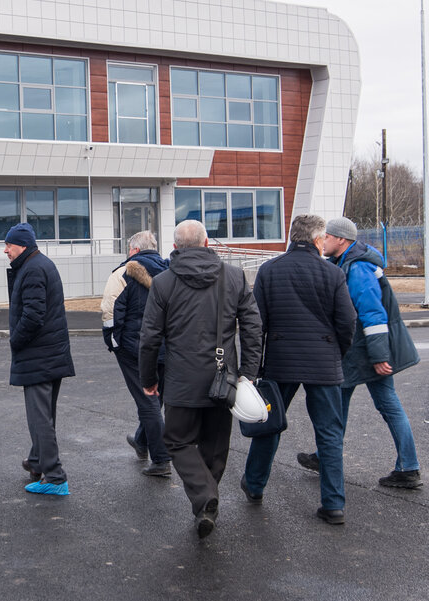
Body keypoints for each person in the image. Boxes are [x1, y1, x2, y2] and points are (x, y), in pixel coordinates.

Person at [139, 219, 262, 538]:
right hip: (224, 378)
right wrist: (249, 373)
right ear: (208, 243)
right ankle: (207, 499)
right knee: (216, 444)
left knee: (177, 440)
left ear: (176, 247)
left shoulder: (163, 282)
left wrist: (149, 377)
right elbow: (252, 327)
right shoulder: (234, 277)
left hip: (181, 381)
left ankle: (205, 498)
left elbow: (150, 337)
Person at [242, 214, 357, 525]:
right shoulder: (332, 275)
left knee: (270, 424)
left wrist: (252, 367)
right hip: (323, 362)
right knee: (330, 434)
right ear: (319, 240)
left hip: (281, 360)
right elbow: (347, 321)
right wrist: (337, 351)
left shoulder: (269, 271)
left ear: (292, 236)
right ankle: (333, 504)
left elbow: (256, 323)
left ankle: (254, 485)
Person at [296, 217, 422, 489]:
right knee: (349, 404)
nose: (323, 241)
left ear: (341, 240)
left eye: (327, 237)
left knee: (376, 405)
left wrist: (379, 357)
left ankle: (408, 467)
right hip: (358, 351)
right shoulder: (346, 263)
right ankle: (326, 456)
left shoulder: (359, 267)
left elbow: (372, 314)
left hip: (364, 352)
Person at [4, 222, 75, 496]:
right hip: (49, 353)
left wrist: (15, 340)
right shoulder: (38, 264)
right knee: (44, 415)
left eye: (8, 245)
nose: (5, 251)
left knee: (39, 418)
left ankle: (55, 476)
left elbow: (33, 315)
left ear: (21, 245)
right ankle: (37, 461)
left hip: (39, 355)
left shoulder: (32, 269)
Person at [100, 231, 171, 476]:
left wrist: (113, 343)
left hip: (136, 348)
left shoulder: (122, 273)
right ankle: (142, 441)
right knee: (155, 397)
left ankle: (161, 459)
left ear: (134, 250)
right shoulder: (170, 272)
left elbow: (110, 312)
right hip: (167, 346)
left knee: (147, 401)